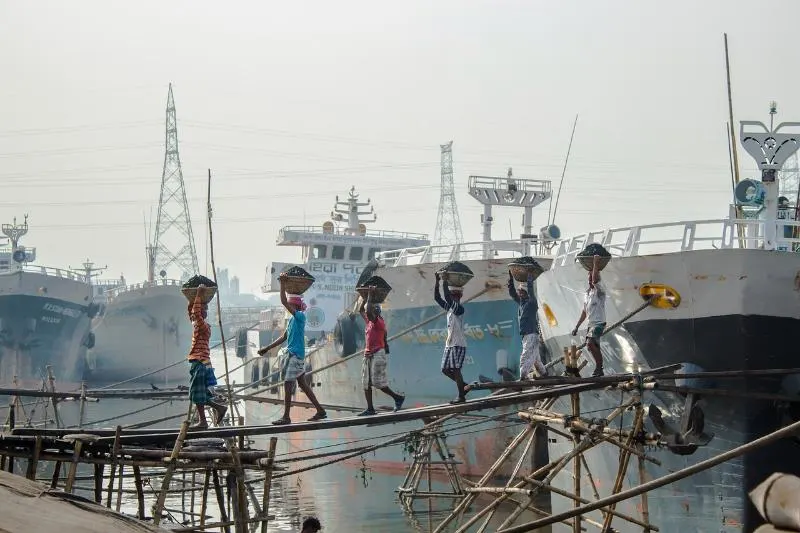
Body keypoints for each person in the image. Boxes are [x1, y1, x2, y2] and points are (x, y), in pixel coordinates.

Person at [257, 277, 327, 425]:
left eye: (289, 306)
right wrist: (267, 348)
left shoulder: (300, 316)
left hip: (295, 355)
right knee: (302, 384)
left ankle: (286, 417)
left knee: (288, 384)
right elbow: (284, 337)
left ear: (293, 306)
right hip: (294, 355)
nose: (286, 307)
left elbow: (283, 301)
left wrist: (282, 284)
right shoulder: (292, 320)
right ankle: (320, 410)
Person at [357, 287, 405, 416]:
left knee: (378, 383)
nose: (367, 314)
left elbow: (367, 311)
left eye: (371, 312)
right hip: (368, 355)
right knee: (366, 383)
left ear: (376, 313)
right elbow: (361, 310)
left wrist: (370, 296)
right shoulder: (369, 322)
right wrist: (364, 299)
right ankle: (370, 409)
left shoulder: (378, 322)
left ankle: (398, 397)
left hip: (378, 353)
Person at [187, 285, 226, 429]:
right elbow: (192, 312)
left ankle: (203, 422)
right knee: (200, 393)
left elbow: (195, 313)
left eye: (200, 310)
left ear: (203, 314)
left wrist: (197, 294)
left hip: (200, 362)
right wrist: (191, 299)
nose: (195, 312)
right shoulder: (198, 324)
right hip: (200, 362)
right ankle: (219, 408)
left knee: (196, 393)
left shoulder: (204, 326)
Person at [433, 272, 469, 404]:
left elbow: (447, 298)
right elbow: (437, 298)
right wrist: (437, 281)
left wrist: (445, 281)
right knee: (445, 369)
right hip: (450, 344)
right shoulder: (450, 309)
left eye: (454, 296)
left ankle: (461, 396)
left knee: (456, 369)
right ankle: (464, 386)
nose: (452, 298)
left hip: (458, 344)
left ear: (458, 297)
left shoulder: (459, 309)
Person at [571, 255, 606, 377]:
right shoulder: (587, 294)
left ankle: (599, 367)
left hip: (599, 323)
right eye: (588, 277)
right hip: (591, 324)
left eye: (590, 277)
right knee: (591, 346)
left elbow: (595, 280)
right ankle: (599, 369)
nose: (590, 280)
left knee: (591, 343)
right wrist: (577, 326)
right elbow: (584, 312)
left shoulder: (599, 291)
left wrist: (595, 263)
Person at [508, 271, 547, 380]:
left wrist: (529, 281)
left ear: (525, 292)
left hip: (531, 334)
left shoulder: (532, 303)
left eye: (520, 291)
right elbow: (513, 294)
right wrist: (511, 281)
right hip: (526, 335)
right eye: (519, 291)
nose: (519, 293)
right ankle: (544, 374)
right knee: (536, 359)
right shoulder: (522, 303)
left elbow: (531, 294)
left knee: (524, 357)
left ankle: (522, 377)